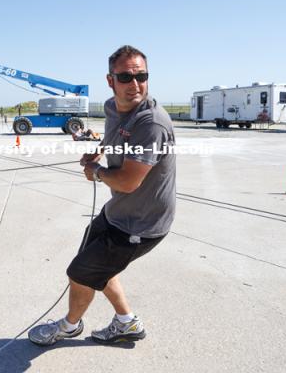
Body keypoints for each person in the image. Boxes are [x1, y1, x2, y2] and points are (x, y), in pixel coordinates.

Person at [29, 45, 176, 345]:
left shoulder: (151, 123)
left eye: (141, 76)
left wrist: (96, 172)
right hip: (117, 212)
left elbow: (128, 182)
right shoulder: (113, 107)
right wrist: (97, 152)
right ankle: (127, 322)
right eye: (125, 77)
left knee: (81, 273)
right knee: (95, 264)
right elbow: (113, 137)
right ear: (111, 81)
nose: (135, 84)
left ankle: (70, 326)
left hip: (141, 224)